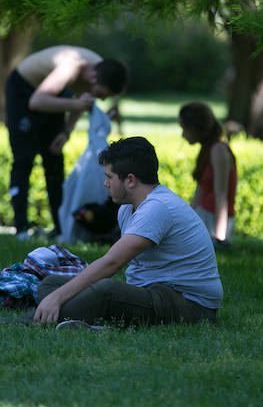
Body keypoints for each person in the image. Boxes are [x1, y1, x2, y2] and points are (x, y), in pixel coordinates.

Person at [32, 136, 223, 327]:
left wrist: (57, 298)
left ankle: (26, 321)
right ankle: (86, 321)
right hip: (152, 293)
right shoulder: (127, 208)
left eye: (109, 177)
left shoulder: (157, 208)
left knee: (107, 290)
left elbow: (112, 262)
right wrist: (58, 293)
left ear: (130, 180)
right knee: (51, 284)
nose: (105, 183)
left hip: (190, 306)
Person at [5, 45, 128, 240]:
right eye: (101, 94)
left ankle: (59, 228)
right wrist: (77, 105)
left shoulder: (100, 69)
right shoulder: (70, 67)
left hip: (53, 92)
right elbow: (36, 102)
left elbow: (84, 98)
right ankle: (21, 228)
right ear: (93, 77)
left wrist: (66, 131)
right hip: (24, 90)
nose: (100, 99)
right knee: (23, 159)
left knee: (54, 160)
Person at [178, 102, 237, 247]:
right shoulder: (207, 150)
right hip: (204, 215)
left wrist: (219, 236)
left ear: (196, 128)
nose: (183, 134)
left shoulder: (218, 150)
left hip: (213, 219)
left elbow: (221, 195)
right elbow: (200, 191)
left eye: (184, 128)